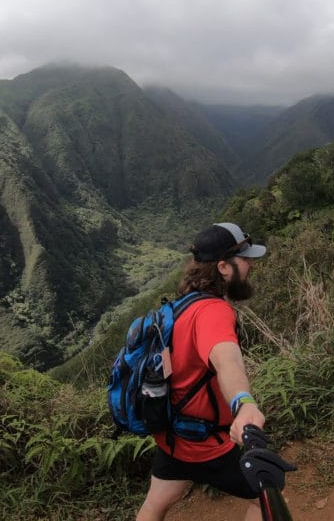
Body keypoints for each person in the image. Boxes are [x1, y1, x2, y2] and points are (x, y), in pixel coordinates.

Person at [136, 222, 268, 521]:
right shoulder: (214, 311)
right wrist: (243, 403)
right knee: (267, 499)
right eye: (245, 259)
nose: (250, 265)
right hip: (207, 445)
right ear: (223, 267)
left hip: (173, 437)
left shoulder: (181, 305)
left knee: (155, 505)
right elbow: (226, 359)